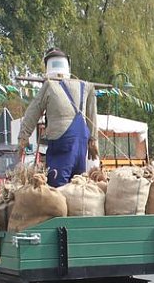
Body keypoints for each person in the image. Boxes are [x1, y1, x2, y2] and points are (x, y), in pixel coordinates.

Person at [17, 48, 99, 187]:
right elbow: (92, 114)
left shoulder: (49, 85)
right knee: (78, 185)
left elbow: (33, 111)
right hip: (82, 142)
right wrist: (93, 139)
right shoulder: (85, 86)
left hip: (62, 142)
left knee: (58, 187)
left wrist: (23, 137)